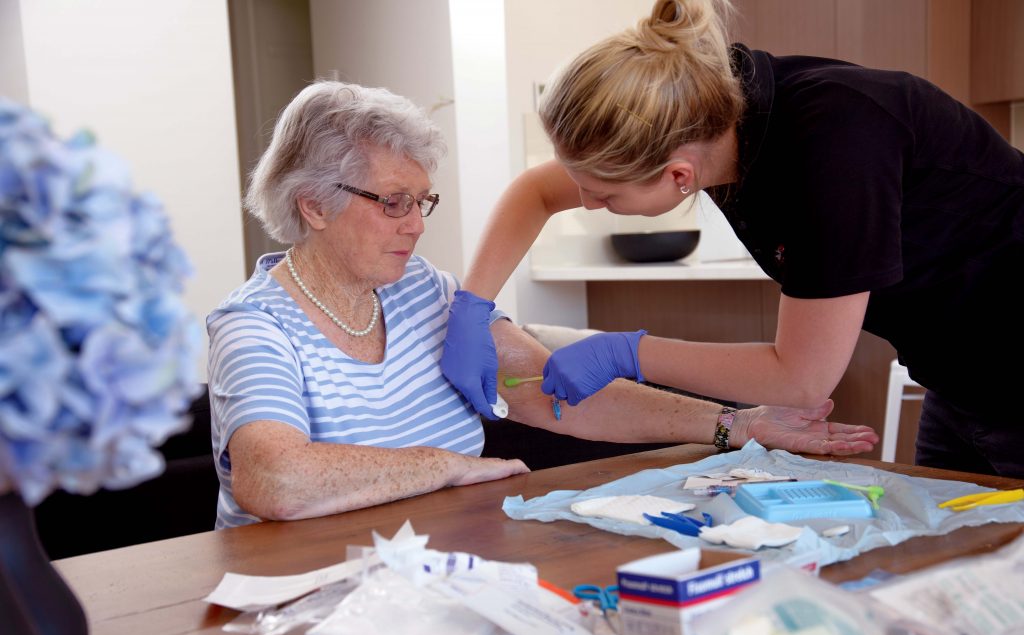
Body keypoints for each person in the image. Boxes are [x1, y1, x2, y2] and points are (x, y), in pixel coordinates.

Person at [207, 80, 877, 528]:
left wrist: (739, 424)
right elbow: (276, 480)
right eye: (392, 203)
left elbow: (547, 392)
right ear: (312, 205)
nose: (416, 225)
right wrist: (442, 466)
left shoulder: (425, 293)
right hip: (302, 593)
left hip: (438, 573)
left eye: (422, 201)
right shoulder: (254, 326)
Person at [440, 0, 1024, 478]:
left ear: (678, 177)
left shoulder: (836, 146)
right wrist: (472, 303)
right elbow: (537, 193)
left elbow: (800, 380)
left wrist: (625, 352)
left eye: (605, 195)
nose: (588, 204)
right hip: (960, 378)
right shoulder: (705, 114)